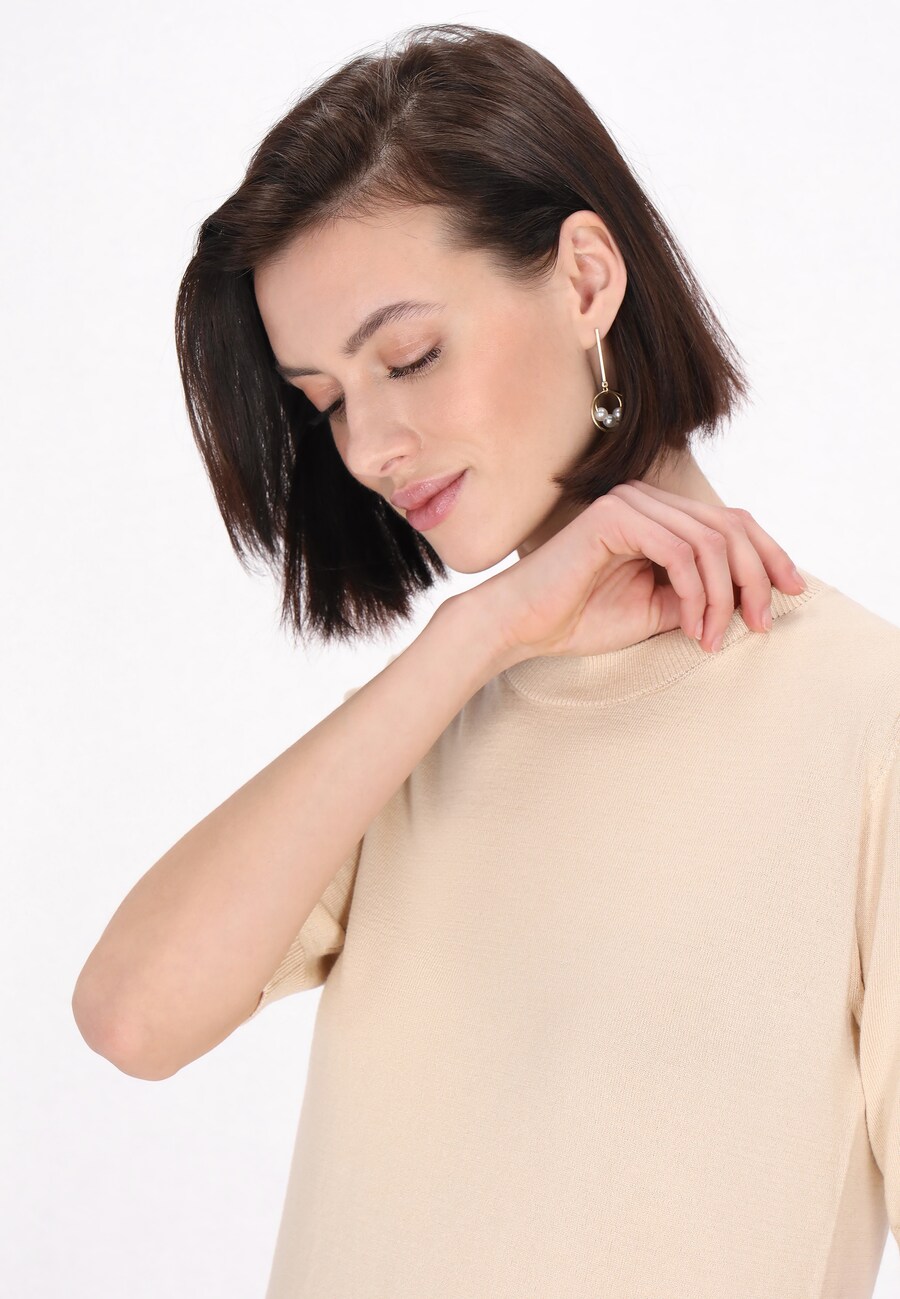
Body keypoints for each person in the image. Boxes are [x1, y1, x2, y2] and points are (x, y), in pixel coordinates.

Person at [72, 23, 900, 1299]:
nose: (369, 448)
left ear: (585, 281)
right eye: (326, 400)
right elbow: (131, 1017)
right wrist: (477, 636)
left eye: (409, 357)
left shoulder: (859, 717)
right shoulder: (428, 722)